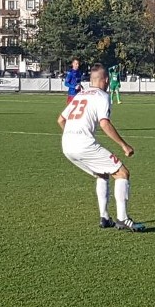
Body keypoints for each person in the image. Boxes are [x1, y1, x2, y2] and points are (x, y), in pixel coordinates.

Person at [57, 64, 144, 232]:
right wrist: (124, 145)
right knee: (122, 173)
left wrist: (72, 134)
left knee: (102, 173)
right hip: (83, 144)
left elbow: (60, 120)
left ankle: (104, 217)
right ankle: (123, 219)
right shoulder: (103, 96)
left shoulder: (80, 94)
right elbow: (104, 123)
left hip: (67, 144)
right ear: (105, 80)